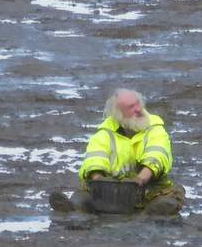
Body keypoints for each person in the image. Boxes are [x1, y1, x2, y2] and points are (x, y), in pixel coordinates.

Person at [49, 88, 185, 216]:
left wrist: (140, 179)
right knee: (82, 197)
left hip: (148, 190)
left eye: (138, 103)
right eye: (131, 107)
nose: (138, 109)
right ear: (118, 115)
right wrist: (98, 178)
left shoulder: (156, 129)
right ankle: (73, 209)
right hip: (108, 190)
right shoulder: (104, 133)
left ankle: (143, 218)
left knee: (167, 203)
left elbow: (157, 155)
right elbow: (94, 158)